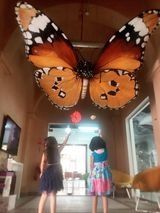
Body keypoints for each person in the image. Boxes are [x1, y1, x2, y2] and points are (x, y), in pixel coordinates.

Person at [38, 130, 71, 213]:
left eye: (45, 143)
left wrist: (42, 172)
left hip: (49, 172)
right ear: (55, 143)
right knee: (53, 195)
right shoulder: (57, 150)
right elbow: (64, 143)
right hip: (57, 172)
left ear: (47, 144)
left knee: (44, 194)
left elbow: (42, 163)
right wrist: (68, 135)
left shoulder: (45, 152)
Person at [88, 136, 112, 213]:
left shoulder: (93, 154)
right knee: (104, 195)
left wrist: (90, 174)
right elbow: (107, 163)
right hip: (105, 176)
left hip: (96, 176)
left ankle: (94, 211)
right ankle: (106, 211)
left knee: (95, 195)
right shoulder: (106, 151)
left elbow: (91, 166)